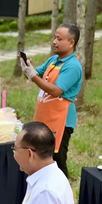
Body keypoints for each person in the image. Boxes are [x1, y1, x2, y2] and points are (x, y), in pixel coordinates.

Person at [19, 23, 82, 178]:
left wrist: (32, 75)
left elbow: (55, 90)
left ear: (71, 43)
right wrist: (28, 67)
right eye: (54, 37)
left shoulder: (73, 66)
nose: (54, 41)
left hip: (61, 120)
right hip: (45, 116)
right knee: (40, 158)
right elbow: (38, 75)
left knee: (57, 161)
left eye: (59, 39)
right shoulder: (54, 60)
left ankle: (64, 197)